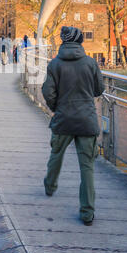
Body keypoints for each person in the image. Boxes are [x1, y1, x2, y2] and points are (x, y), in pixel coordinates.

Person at [42, 26, 104, 226]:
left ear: (63, 41)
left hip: (63, 118)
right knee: (87, 167)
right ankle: (87, 213)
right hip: (86, 120)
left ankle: (50, 186)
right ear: (79, 42)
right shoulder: (91, 63)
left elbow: (48, 92)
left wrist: (57, 107)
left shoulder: (54, 64)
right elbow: (99, 89)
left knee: (56, 154)